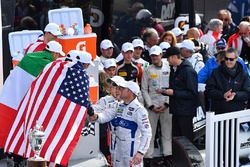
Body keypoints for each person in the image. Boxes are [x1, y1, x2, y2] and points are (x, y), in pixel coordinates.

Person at [88, 80, 152, 167]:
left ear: (130, 92)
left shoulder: (139, 110)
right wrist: (95, 116)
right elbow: (105, 116)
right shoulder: (118, 106)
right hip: (117, 150)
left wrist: (141, 152)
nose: (119, 90)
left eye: (122, 88)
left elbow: (147, 133)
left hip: (131, 153)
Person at [157, 46, 199, 142]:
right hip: (176, 109)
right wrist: (165, 91)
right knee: (177, 138)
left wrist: (174, 93)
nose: (167, 61)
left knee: (186, 138)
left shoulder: (188, 71)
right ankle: (179, 156)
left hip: (185, 111)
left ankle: (189, 157)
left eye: (168, 58)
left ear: (174, 57)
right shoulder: (175, 69)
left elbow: (192, 93)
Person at [141, 45, 172, 166]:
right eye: (152, 55)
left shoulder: (168, 68)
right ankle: (148, 158)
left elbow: (171, 87)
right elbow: (144, 90)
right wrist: (150, 106)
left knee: (167, 132)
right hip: (152, 106)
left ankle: (168, 157)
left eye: (156, 55)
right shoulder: (147, 70)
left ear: (161, 55)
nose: (154, 57)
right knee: (150, 133)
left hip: (166, 105)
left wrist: (166, 103)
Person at [205, 48, 250, 114]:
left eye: (231, 59)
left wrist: (235, 95)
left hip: (236, 113)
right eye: (226, 58)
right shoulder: (216, 72)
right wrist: (222, 95)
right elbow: (208, 91)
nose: (228, 61)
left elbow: (247, 93)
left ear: (236, 59)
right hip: (218, 112)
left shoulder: (243, 74)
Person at [93, 76, 124, 166]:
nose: (116, 90)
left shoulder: (130, 101)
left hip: (127, 140)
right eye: (114, 87)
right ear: (110, 88)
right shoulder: (105, 100)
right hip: (110, 139)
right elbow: (95, 109)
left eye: (119, 88)